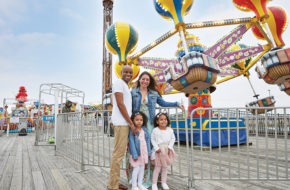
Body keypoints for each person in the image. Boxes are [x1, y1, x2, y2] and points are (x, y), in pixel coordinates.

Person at [130, 71, 183, 187]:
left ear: (150, 82)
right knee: (139, 150)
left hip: (149, 124)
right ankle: (138, 180)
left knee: (150, 150)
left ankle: (151, 179)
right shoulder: (133, 92)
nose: (145, 81)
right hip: (138, 123)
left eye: (147, 80)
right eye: (143, 79)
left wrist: (177, 103)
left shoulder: (153, 93)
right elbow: (128, 107)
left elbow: (163, 103)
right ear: (139, 80)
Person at [108, 65, 137, 190]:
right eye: (126, 72)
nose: (128, 74)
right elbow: (120, 104)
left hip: (123, 123)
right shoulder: (119, 83)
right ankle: (113, 186)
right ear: (121, 72)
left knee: (119, 154)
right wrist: (131, 123)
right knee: (118, 155)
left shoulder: (125, 85)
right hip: (121, 123)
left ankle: (114, 182)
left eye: (130, 72)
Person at [151, 112, 177, 190]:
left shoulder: (170, 130)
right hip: (159, 151)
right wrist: (156, 148)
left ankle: (164, 182)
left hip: (166, 150)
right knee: (157, 167)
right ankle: (154, 183)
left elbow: (173, 139)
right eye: (161, 119)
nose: (163, 121)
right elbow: (152, 139)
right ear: (157, 121)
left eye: (165, 119)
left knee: (165, 167)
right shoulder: (155, 130)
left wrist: (169, 147)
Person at [128, 111, 151, 190]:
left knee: (142, 168)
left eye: (141, 120)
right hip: (136, 153)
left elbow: (147, 141)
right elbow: (131, 142)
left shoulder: (144, 130)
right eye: (137, 120)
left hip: (143, 152)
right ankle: (134, 186)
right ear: (133, 120)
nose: (139, 121)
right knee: (136, 168)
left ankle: (140, 184)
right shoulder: (132, 131)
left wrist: (149, 152)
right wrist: (134, 154)